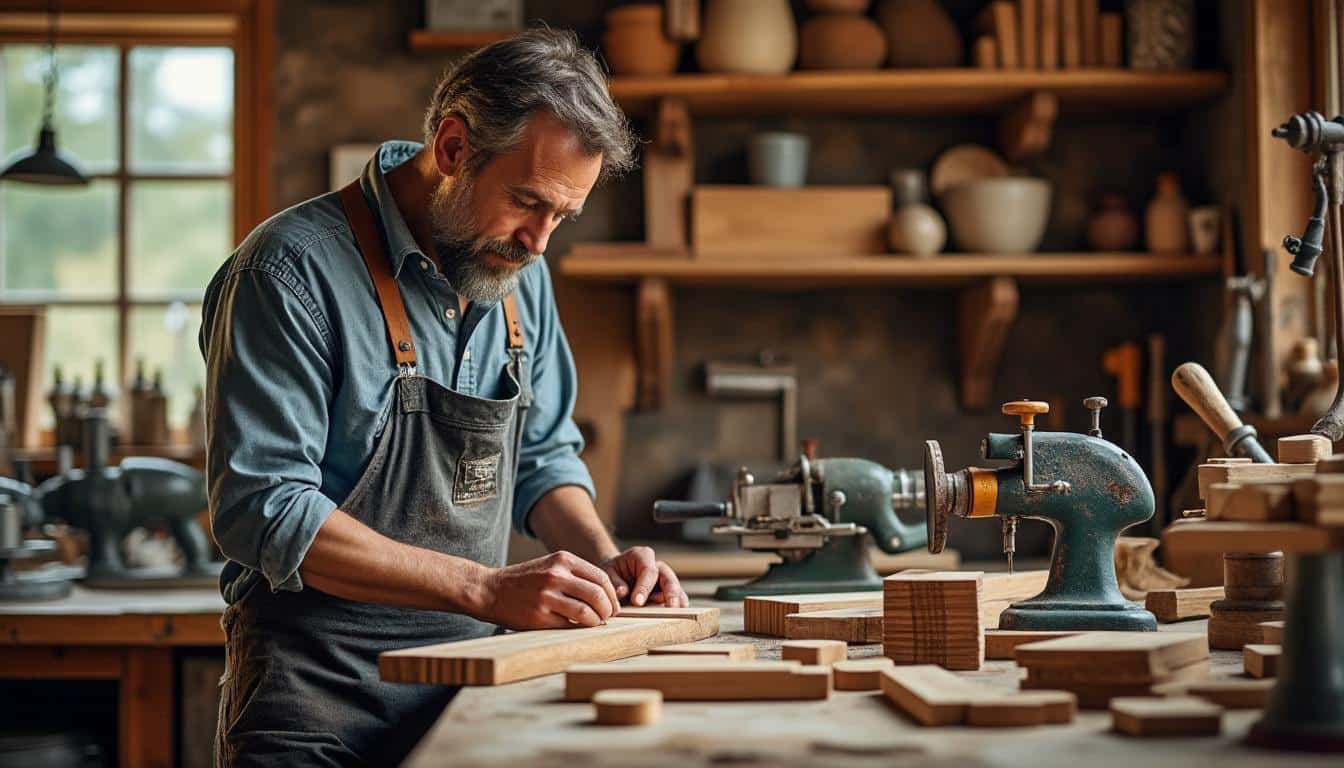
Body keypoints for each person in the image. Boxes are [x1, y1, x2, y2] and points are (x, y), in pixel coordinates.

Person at [201, 28, 687, 766]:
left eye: (562, 215)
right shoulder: (287, 273)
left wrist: (606, 565)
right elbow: (266, 507)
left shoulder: (519, 275)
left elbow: (544, 458)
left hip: (473, 690)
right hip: (313, 695)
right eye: (527, 202)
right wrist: (486, 590)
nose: (540, 242)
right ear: (454, 149)